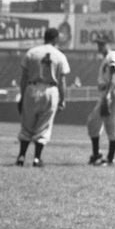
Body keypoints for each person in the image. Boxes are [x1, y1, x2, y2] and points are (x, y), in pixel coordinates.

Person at [15, 27, 69, 167]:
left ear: (44, 37)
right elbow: (62, 81)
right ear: (56, 39)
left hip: (31, 88)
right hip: (50, 90)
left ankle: (21, 156)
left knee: (27, 124)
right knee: (44, 126)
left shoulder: (32, 52)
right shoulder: (59, 55)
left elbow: (23, 78)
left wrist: (22, 96)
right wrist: (63, 99)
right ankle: (37, 158)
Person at [87, 35, 115, 166]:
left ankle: (110, 159)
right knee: (93, 122)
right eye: (98, 44)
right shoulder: (105, 58)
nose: (99, 46)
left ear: (107, 44)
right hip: (110, 91)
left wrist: (108, 94)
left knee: (112, 126)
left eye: (102, 44)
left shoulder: (113, 55)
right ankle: (96, 154)